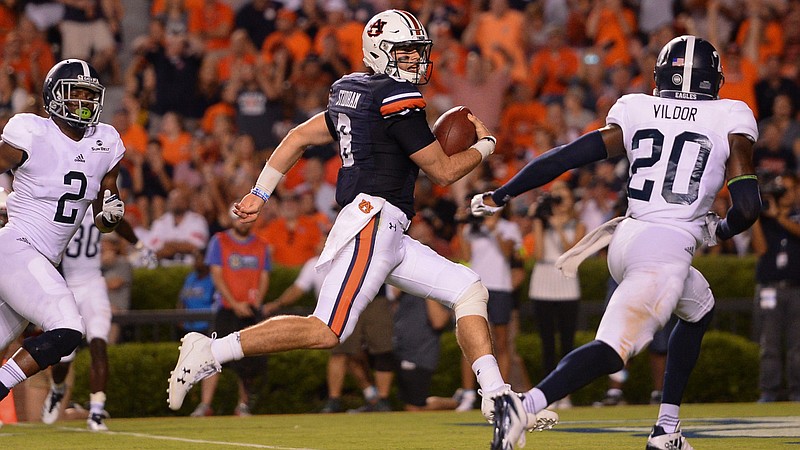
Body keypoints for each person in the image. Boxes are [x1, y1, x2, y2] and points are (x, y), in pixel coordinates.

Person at [168, 10, 517, 433]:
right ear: (379, 52)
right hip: (373, 220)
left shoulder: (353, 92)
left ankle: (497, 397)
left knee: (467, 289)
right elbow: (443, 172)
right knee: (327, 330)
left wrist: (261, 192)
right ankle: (211, 352)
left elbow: (298, 136)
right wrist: (486, 145)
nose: (415, 61)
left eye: (417, 52)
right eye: (405, 52)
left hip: (387, 228)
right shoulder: (395, 98)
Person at [472, 36, 761, 450]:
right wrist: (721, 230)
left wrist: (503, 193)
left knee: (700, 308)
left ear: (661, 75)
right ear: (713, 81)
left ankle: (666, 429)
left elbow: (566, 155)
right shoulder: (731, 115)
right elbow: (748, 207)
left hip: (626, 237)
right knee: (613, 350)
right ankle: (524, 404)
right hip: (666, 247)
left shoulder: (637, 106)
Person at [0, 59, 126, 406]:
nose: (84, 102)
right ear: (54, 98)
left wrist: (110, 217)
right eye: (76, 94)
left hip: (39, 260)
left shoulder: (105, 142)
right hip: (17, 246)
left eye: (90, 94)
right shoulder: (32, 132)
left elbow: (102, 217)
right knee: (68, 328)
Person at [40, 212, 149, 431]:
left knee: (99, 343)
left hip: (92, 284)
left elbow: (116, 219)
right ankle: (58, 388)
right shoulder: (58, 204)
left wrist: (139, 245)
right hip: (64, 285)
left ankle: (97, 411)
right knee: (63, 357)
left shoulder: (95, 201)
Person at [190, 211, 271, 417]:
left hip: (249, 310)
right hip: (226, 308)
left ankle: (243, 405)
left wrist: (255, 303)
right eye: (239, 218)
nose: (242, 223)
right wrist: (235, 304)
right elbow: (217, 276)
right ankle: (205, 404)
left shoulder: (261, 245)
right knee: (213, 356)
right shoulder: (220, 241)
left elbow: (264, 276)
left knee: (247, 360)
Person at [751, 173, 800, 402]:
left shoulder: (795, 217)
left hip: (796, 287)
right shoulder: (766, 219)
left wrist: (779, 216)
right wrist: (758, 217)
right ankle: (768, 390)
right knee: (768, 343)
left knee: (797, 345)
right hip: (769, 287)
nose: (784, 194)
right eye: (781, 190)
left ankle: (796, 391)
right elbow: (760, 249)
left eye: (788, 189)